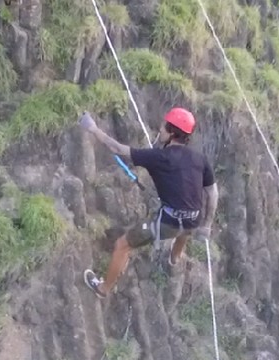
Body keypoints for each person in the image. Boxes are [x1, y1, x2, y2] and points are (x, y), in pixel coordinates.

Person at [77, 107, 219, 298]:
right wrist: (207, 225)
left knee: (122, 245)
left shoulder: (159, 157)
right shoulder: (199, 159)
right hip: (194, 218)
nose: (159, 130)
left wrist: (93, 129)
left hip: (169, 223)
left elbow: (119, 149)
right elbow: (212, 191)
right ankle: (175, 258)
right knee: (186, 228)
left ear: (171, 132)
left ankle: (103, 289)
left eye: (163, 127)